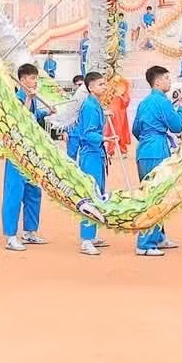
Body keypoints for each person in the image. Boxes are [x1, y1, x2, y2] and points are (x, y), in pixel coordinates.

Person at [132, 65, 182, 255]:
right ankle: (145, 243)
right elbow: (176, 126)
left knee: (156, 193)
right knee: (155, 196)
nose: (169, 82)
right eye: (166, 78)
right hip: (157, 150)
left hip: (144, 150)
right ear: (157, 82)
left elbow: (135, 129)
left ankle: (158, 236)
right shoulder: (162, 102)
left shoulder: (144, 103)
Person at [2, 64, 52, 250]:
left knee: (33, 192)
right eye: (31, 78)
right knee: (14, 192)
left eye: (36, 78)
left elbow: (33, 115)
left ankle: (30, 231)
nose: (35, 81)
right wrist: (29, 100)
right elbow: (19, 120)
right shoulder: (15, 98)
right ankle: (11, 236)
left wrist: (47, 112)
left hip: (32, 153)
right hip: (17, 153)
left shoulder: (33, 99)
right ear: (22, 80)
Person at [70, 72, 110, 256]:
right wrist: (106, 137)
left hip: (97, 154)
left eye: (104, 84)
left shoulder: (96, 105)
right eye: (101, 84)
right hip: (90, 154)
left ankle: (92, 234)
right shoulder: (89, 106)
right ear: (91, 87)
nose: (104, 87)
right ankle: (86, 239)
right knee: (90, 195)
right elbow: (87, 133)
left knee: (98, 193)